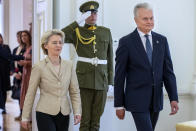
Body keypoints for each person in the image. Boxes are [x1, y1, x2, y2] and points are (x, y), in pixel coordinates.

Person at [114, 3, 179, 131]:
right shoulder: (126, 42)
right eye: (145, 18)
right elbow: (119, 76)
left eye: (151, 18)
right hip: (136, 100)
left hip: (156, 100)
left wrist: (174, 98)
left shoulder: (162, 41)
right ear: (136, 20)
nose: (149, 22)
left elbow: (168, 72)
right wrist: (118, 105)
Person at [61, 1, 114, 131]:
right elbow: (59, 35)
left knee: (96, 122)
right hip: (83, 81)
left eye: (95, 12)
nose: (93, 15)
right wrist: (77, 22)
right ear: (84, 15)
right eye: (89, 13)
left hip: (102, 80)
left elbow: (110, 58)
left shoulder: (105, 32)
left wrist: (111, 81)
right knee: (84, 121)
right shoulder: (77, 31)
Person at [21, 29, 81, 131]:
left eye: (60, 42)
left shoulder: (69, 65)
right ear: (45, 45)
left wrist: (77, 111)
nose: (58, 45)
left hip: (64, 113)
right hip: (44, 112)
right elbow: (30, 93)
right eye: (54, 43)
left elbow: (74, 91)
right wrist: (25, 117)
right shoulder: (39, 67)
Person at [11, 31, 26, 121]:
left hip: (23, 74)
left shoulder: (26, 49)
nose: (18, 39)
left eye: (19, 37)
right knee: (18, 95)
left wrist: (20, 73)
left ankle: (24, 114)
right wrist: (14, 72)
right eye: (17, 37)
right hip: (16, 75)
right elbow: (11, 63)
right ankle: (20, 113)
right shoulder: (15, 49)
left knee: (23, 95)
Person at [18, 30, 32, 113]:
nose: (23, 37)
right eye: (22, 36)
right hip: (25, 73)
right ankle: (25, 115)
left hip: (31, 72)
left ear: (29, 36)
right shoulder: (24, 48)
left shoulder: (32, 47)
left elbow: (35, 61)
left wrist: (25, 62)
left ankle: (31, 117)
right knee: (24, 93)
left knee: (30, 93)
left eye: (25, 35)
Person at [0, 33, 11, 114]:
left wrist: (11, 70)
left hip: (4, 72)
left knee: (4, 90)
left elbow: (10, 58)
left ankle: (3, 107)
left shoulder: (6, 47)